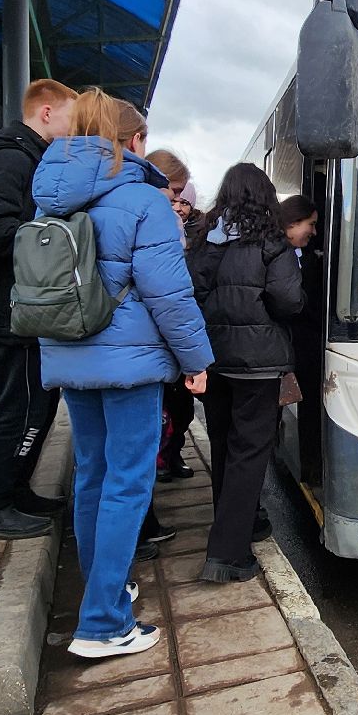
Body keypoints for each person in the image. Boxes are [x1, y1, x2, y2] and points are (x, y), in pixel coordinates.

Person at [32, 91, 211, 659]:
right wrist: (196, 361)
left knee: (93, 475)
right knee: (127, 483)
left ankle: (105, 587)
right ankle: (104, 621)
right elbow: (170, 294)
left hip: (70, 352)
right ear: (133, 141)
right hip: (129, 361)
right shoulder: (143, 199)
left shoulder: (50, 196)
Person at [0, 78, 79, 540]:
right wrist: (53, 243)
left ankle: (15, 490)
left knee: (36, 404)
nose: (74, 128)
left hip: (19, 307)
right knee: (15, 408)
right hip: (6, 310)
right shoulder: (11, 157)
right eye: (70, 116)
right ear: (46, 112)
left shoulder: (25, 156)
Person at [191, 163, 305, 583]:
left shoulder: (204, 240)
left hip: (214, 359)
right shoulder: (271, 243)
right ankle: (228, 552)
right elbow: (289, 301)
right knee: (249, 452)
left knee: (223, 444)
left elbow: (193, 296)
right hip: (258, 364)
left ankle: (233, 523)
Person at [145, 150, 198, 485]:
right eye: (175, 192)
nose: (177, 202)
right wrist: (196, 359)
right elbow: (170, 294)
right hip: (153, 340)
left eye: (183, 197)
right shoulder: (157, 222)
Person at [281, 194, 326, 486]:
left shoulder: (309, 256)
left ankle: (312, 466)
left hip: (304, 347)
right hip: (284, 348)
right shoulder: (272, 255)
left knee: (310, 408)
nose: (314, 231)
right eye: (310, 224)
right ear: (292, 222)